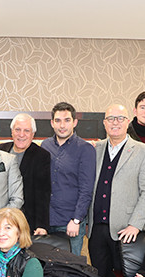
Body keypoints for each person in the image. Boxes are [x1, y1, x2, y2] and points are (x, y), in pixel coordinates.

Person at [88, 103, 145, 277]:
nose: (115, 122)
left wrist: (136, 224)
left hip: (126, 228)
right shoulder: (96, 149)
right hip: (97, 227)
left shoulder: (143, 151)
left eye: (120, 118)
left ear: (128, 122)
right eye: (110, 119)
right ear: (104, 123)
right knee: (99, 276)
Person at [40, 102, 96, 255]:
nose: (62, 125)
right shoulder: (45, 145)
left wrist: (76, 220)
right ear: (52, 123)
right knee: (44, 265)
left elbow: (86, 190)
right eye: (58, 120)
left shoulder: (85, 149)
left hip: (70, 223)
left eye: (67, 120)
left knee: (70, 266)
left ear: (75, 122)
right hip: (47, 221)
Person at [0, 113, 51, 234]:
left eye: (26, 131)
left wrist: (41, 225)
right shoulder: (0, 150)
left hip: (26, 222)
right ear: (12, 132)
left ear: (33, 134)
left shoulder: (41, 156)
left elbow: (43, 193)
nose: (21, 134)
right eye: (18, 130)